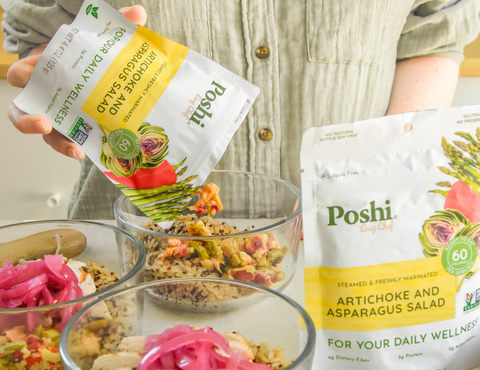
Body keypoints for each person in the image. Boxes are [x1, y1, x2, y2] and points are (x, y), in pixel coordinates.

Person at [2, 0, 480, 219]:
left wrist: (383, 181)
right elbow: (39, 34)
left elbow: (433, 32)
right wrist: (48, 85)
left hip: (349, 242)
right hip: (137, 248)